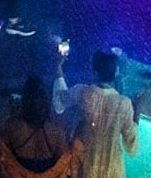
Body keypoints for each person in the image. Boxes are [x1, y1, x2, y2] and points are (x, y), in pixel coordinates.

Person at [54, 50, 139, 178]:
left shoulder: (82, 93)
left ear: (94, 72)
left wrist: (58, 67)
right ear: (116, 72)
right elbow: (131, 147)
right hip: (113, 170)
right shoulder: (124, 104)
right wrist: (137, 111)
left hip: (87, 168)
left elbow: (60, 100)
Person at [0, 74, 81, 178]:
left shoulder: (12, 129)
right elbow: (66, 163)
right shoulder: (56, 132)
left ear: (25, 101)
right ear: (46, 101)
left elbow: (2, 155)